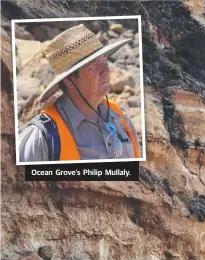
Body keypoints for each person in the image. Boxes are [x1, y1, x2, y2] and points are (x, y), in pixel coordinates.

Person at [18, 24, 140, 162]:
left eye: (104, 60)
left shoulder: (120, 118)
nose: (106, 71)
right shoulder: (42, 137)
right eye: (94, 66)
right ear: (69, 80)